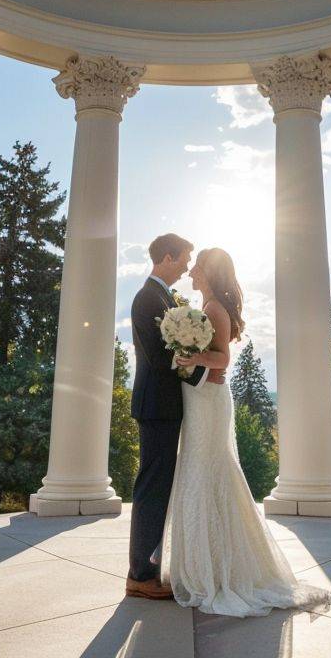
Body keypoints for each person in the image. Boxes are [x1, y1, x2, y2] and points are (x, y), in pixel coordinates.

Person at [164, 247, 331, 617]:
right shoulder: (207, 306)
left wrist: (192, 358)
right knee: (199, 468)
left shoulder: (213, 310)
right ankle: (202, 564)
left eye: (197, 267)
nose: (191, 272)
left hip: (208, 399)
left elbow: (223, 358)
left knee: (207, 468)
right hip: (201, 395)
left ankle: (216, 571)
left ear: (209, 272)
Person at [125, 233, 222, 600]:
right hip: (156, 407)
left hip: (166, 406)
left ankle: (147, 568)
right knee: (152, 488)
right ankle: (140, 574)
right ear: (167, 257)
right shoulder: (148, 298)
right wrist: (203, 373)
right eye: (183, 258)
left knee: (160, 487)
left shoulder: (163, 297)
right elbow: (160, 356)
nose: (186, 266)